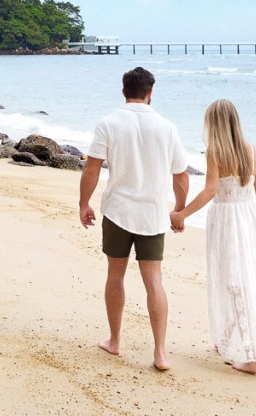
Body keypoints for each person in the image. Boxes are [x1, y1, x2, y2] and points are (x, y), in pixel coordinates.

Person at [79, 66, 189, 371]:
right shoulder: (167, 127)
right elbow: (180, 174)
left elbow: (92, 168)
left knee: (116, 275)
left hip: (117, 211)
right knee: (154, 281)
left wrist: (83, 203)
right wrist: (178, 210)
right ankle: (160, 353)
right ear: (150, 92)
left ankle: (115, 341)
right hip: (152, 214)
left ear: (124, 91)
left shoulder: (109, 122)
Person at [169, 99, 256, 374]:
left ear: (213, 124)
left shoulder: (215, 151)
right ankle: (227, 339)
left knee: (233, 280)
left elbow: (210, 191)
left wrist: (182, 214)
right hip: (248, 217)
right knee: (242, 277)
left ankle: (250, 355)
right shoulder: (254, 150)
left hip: (227, 220)